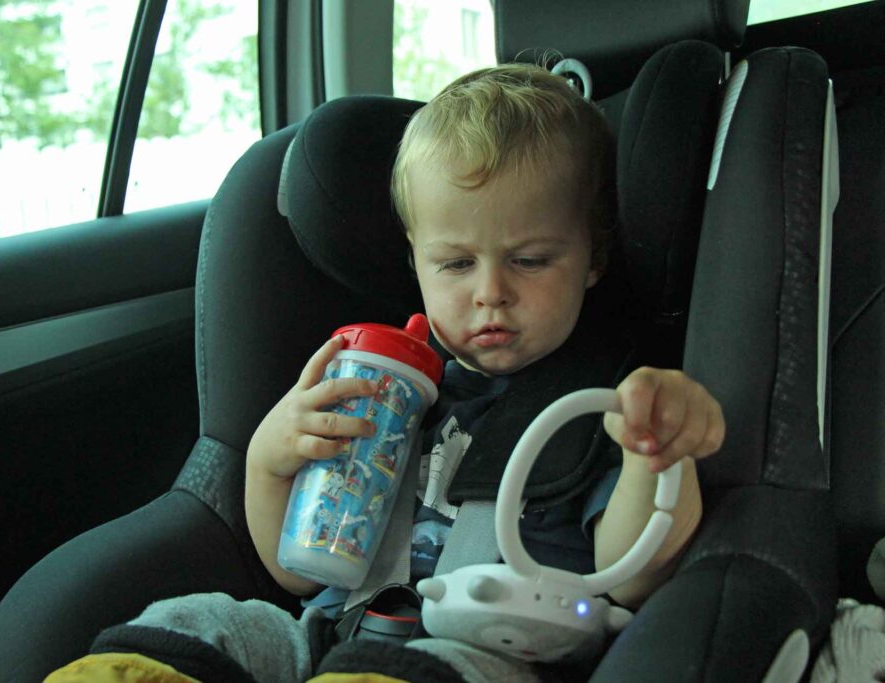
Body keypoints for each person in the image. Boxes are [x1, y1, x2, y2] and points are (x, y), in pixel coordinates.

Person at [46, 62, 725, 683]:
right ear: (417, 261)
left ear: (592, 257)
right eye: (456, 264)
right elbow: (291, 571)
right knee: (199, 618)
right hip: (332, 633)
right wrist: (269, 458)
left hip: (493, 652)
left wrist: (656, 454)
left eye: (531, 259)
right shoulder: (383, 386)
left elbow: (633, 578)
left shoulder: (600, 403)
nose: (491, 291)